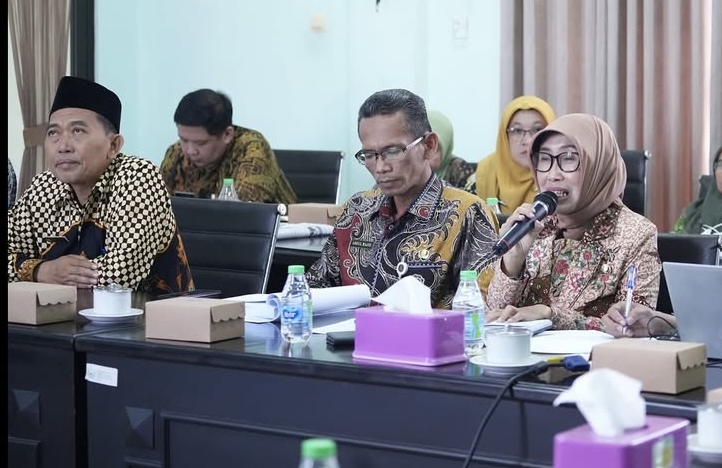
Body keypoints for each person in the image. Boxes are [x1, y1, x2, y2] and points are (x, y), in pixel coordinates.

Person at [304, 89, 498, 308]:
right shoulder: (357, 210)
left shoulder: (468, 213)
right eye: (369, 155)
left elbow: (480, 310)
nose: (380, 167)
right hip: (351, 330)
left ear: (429, 145)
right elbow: (313, 290)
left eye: (393, 152)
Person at [7, 76, 193, 293]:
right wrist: (41, 270)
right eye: (53, 133)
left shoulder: (137, 177)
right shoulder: (44, 187)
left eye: (77, 131)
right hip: (60, 313)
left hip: (148, 312)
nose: (63, 146)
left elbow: (119, 278)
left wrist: (32, 272)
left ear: (113, 146)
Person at [485, 114, 660, 331]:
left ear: (597, 165)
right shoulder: (533, 224)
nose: (552, 175)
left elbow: (633, 327)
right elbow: (493, 318)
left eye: (568, 158)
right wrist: (512, 263)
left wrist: (550, 316)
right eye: (544, 159)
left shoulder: (637, 234)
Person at [160, 88, 296, 205]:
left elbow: (240, 213)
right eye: (183, 140)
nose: (190, 151)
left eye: (201, 143)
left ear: (227, 134)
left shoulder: (251, 149)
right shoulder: (176, 152)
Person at [474, 95, 557, 213]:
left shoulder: (562, 177)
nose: (527, 141)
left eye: (537, 130)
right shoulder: (485, 172)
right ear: (504, 136)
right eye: (517, 131)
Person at [427, 110, 476, 190]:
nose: (426, 155)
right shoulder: (411, 169)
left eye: (434, 148)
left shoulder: (460, 169)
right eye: (423, 147)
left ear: (445, 149)